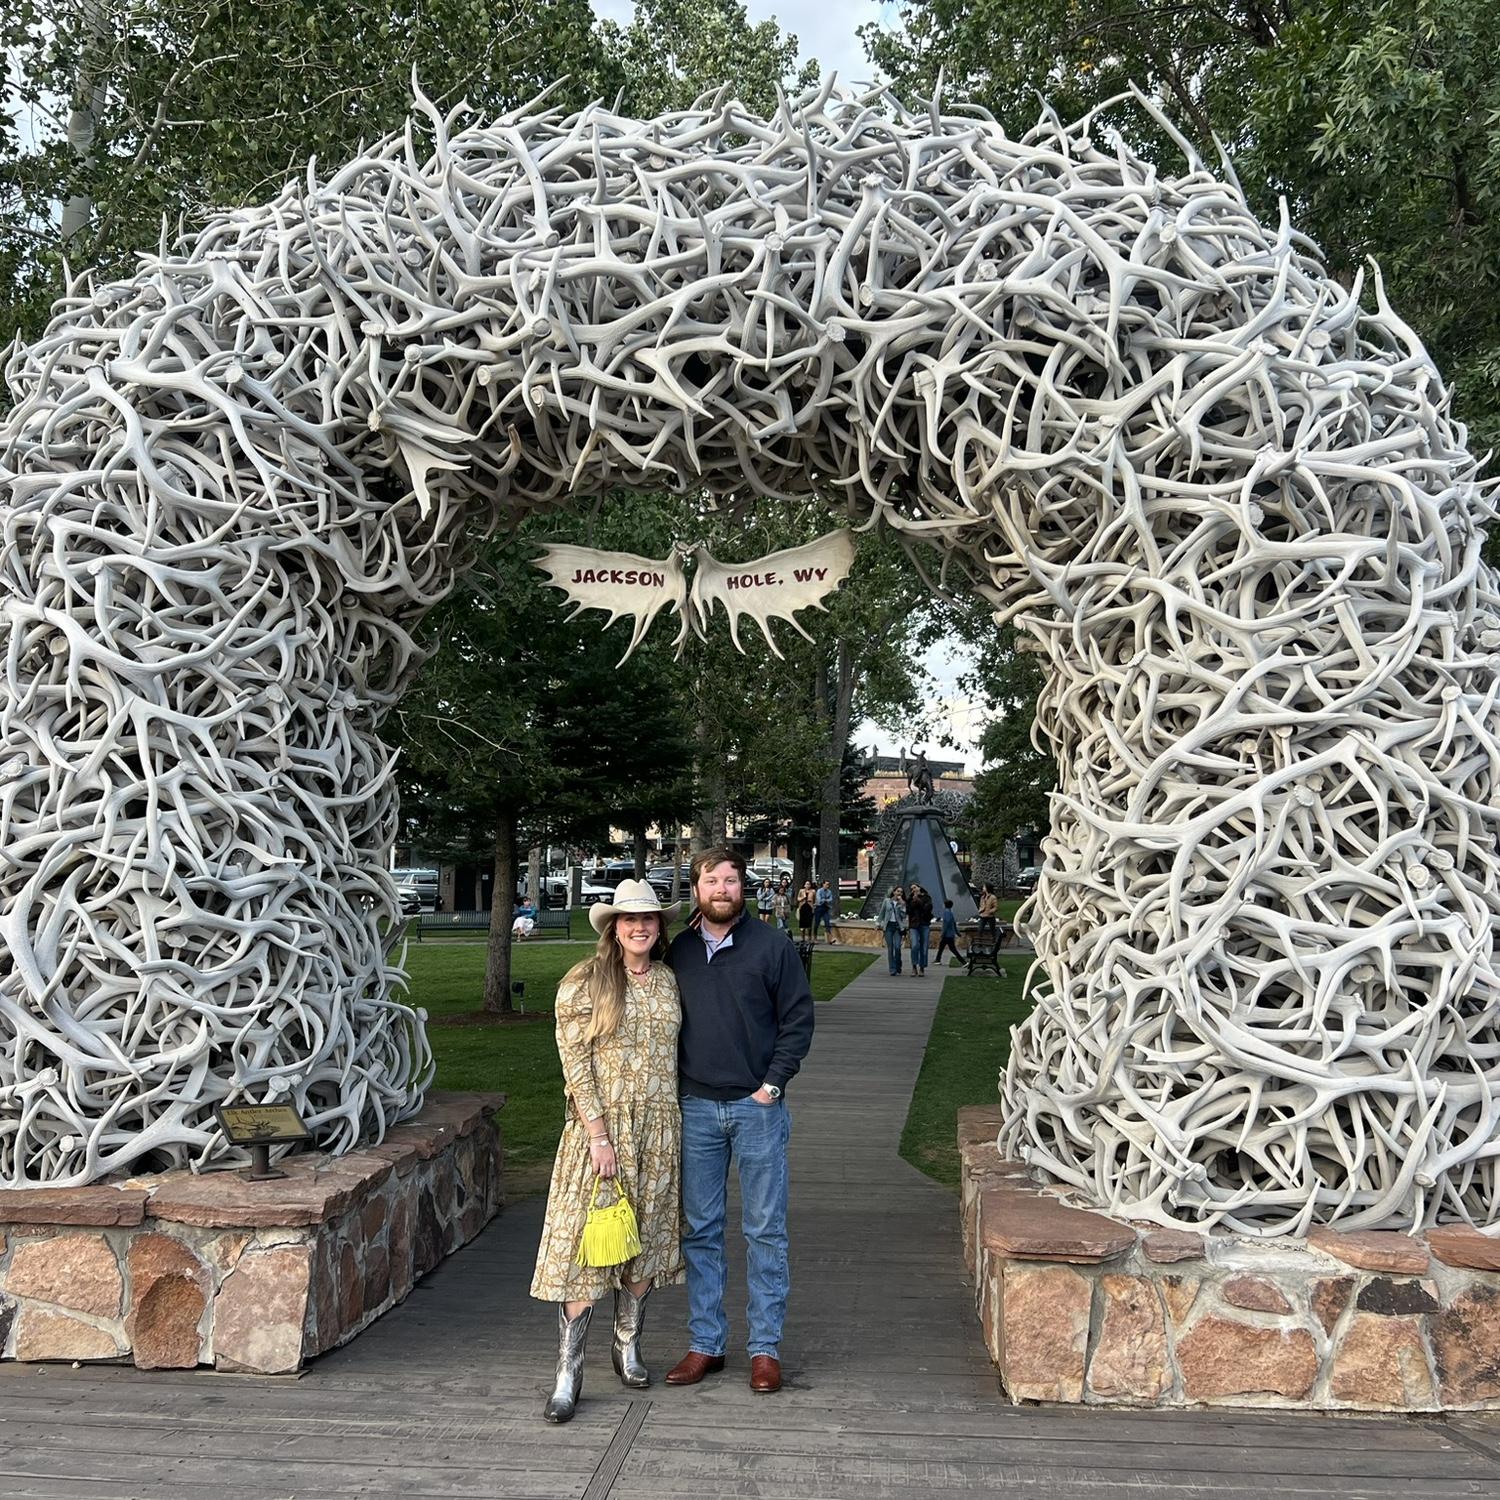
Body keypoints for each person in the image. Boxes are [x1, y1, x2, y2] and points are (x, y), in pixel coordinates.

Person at [530, 880, 684, 1423]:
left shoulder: (667, 980)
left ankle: (628, 1344)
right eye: (629, 919)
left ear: (659, 927)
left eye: (648, 918)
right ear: (614, 928)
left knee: (647, 1241)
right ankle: (568, 1371)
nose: (639, 927)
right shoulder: (586, 981)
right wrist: (598, 1135)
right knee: (584, 1248)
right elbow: (575, 1064)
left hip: (660, 1132)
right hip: (601, 1133)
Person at [664, 846, 815, 1395]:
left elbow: (798, 1020)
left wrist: (772, 1086)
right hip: (696, 1108)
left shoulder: (772, 947)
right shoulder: (678, 951)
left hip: (758, 1110)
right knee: (701, 1230)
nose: (722, 889)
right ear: (696, 889)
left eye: (730, 880)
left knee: (764, 1230)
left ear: (742, 887)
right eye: (711, 881)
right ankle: (707, 1342)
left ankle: (765, 1349)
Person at [906, 882, 934, 976]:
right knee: (914, 945)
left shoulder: (927, 898)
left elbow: (927, 909)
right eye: (911, 889)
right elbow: (908, 911)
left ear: (919, 887)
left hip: (924, 924)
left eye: (914, 887)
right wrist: (913, 902)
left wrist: (919, 901)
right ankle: (914, 966)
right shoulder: (910, 899)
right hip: (914, 925)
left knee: (924, 947)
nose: (913, 890)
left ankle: (922, 967)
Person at [877, 885, 906, 976]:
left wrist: (902, 905)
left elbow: (904, 916)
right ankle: (892, 969)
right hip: (888, 926)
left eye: (901, 892)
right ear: (894, 892)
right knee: (890, 948)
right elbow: (882, 913)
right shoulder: (887, 901)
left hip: (898, 927)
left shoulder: (902, 903)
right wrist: (878, 923)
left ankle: (898, 964)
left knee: (897, 947)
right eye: (898, 891)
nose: (899, 893)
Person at [935, 898, 964, 967]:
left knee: (952, 949)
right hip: (950, 934)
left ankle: (963, 962)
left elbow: (946, 924)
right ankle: (937, 960)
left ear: (945, 905)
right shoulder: (950, 913)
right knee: (941, 947)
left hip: (947, 935)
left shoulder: (946, 913)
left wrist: (943, 933)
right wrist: (957, 933)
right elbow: (954, 924)